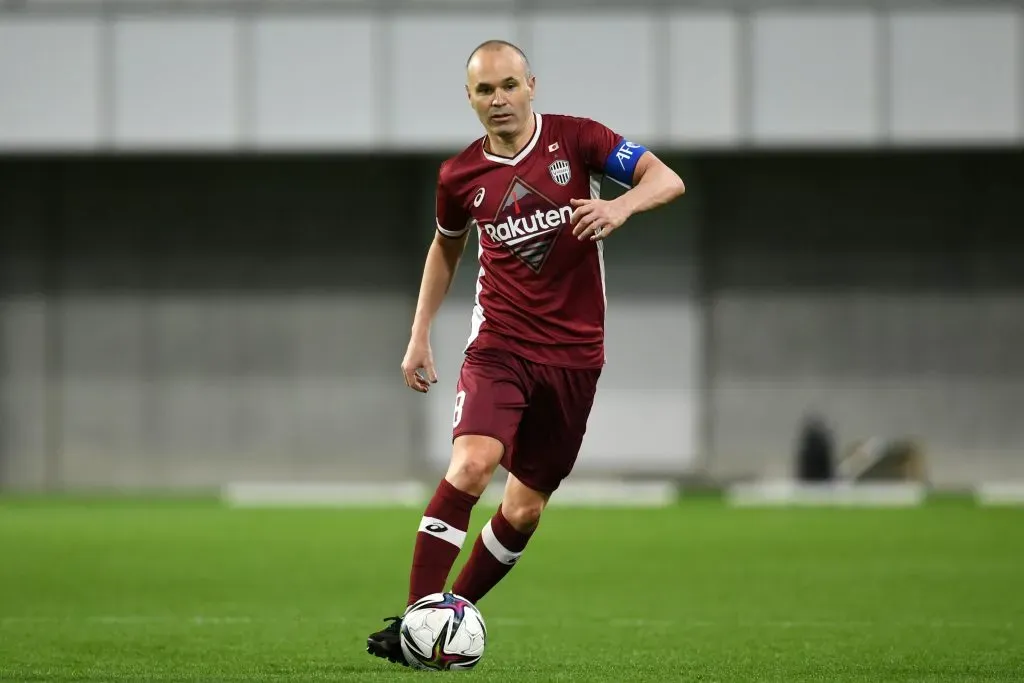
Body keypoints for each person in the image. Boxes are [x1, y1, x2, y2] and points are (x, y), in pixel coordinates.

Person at [366, 38, 685, 666]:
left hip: (574, 357)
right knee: (471, 466)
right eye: (485, 90)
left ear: (531, 85)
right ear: (470, 99)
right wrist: (419, 332)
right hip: (500, 346)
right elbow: (446, 248)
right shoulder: (459, 177)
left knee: (525, 507)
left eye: (509, 85)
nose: (499, 99)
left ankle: (440, 625)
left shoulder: (579, 141)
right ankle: (417, 625)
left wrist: (619, 206)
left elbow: (667, 178)